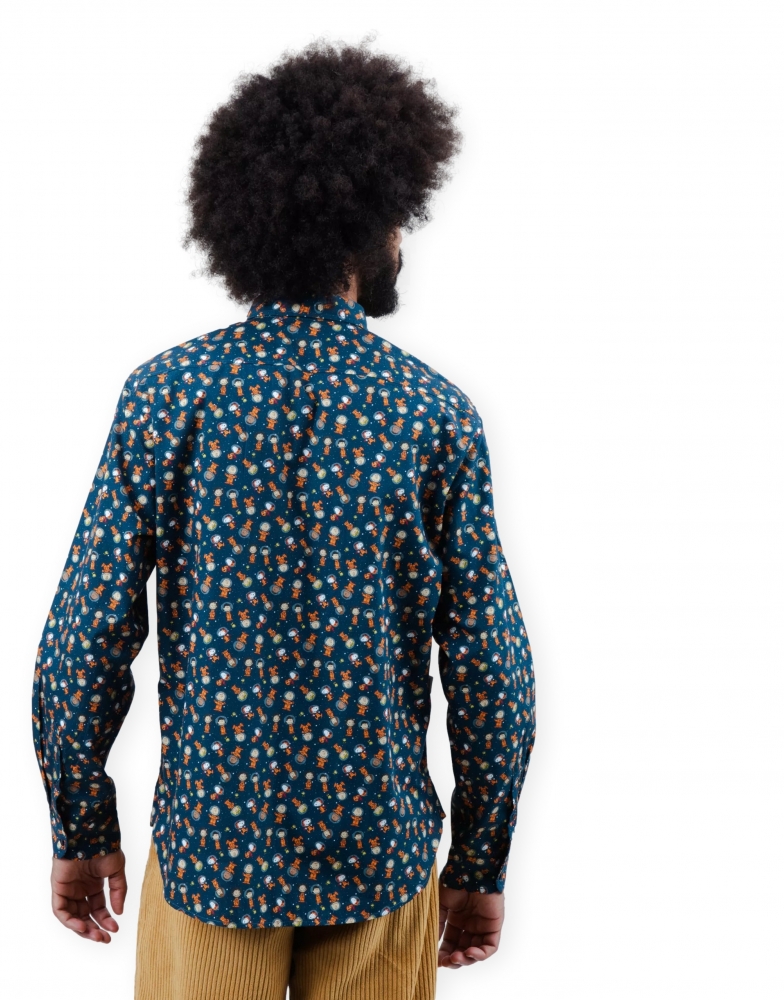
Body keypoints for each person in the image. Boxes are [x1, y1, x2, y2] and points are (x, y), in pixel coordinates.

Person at [31, 38, 536, 1000]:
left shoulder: (166, 397)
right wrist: (480, 861)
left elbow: (83, 638)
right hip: (379, 863)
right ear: (373, 221)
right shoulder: (432, 415)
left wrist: (81, 824)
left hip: (210, 858)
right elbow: (492, 669)